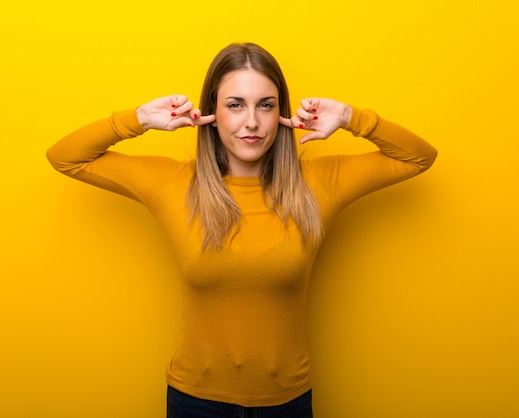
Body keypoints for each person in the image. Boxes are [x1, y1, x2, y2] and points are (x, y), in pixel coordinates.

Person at [46, 42, 437, 417]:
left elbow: (419, 158)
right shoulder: (175, 185)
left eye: (265, 106)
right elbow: (66, 157)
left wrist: (352, 117)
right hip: (194, 400)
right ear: (211, 111)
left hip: (288, 402)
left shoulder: (316, 184)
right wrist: (140, 120)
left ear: (281, 114)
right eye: (235, 105)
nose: (252, 121)